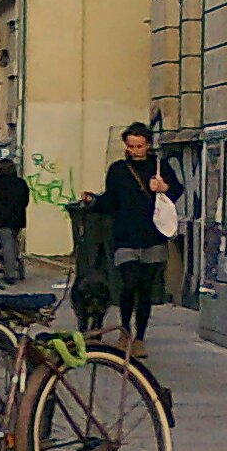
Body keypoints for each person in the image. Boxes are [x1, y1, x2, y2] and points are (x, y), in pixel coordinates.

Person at [81, 122, 184, 357]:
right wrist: (94, 201)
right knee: (128, 284)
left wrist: (164, 187)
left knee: (145, 289)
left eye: (139, 146)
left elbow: (177, 191)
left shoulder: (160, 167)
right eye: (131, 146)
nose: (135, 150)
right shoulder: (118, 170)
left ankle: (140, 338)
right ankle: (125, 330)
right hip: (125, 236)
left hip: (153, 235)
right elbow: (111, 200)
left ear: (148, 145)